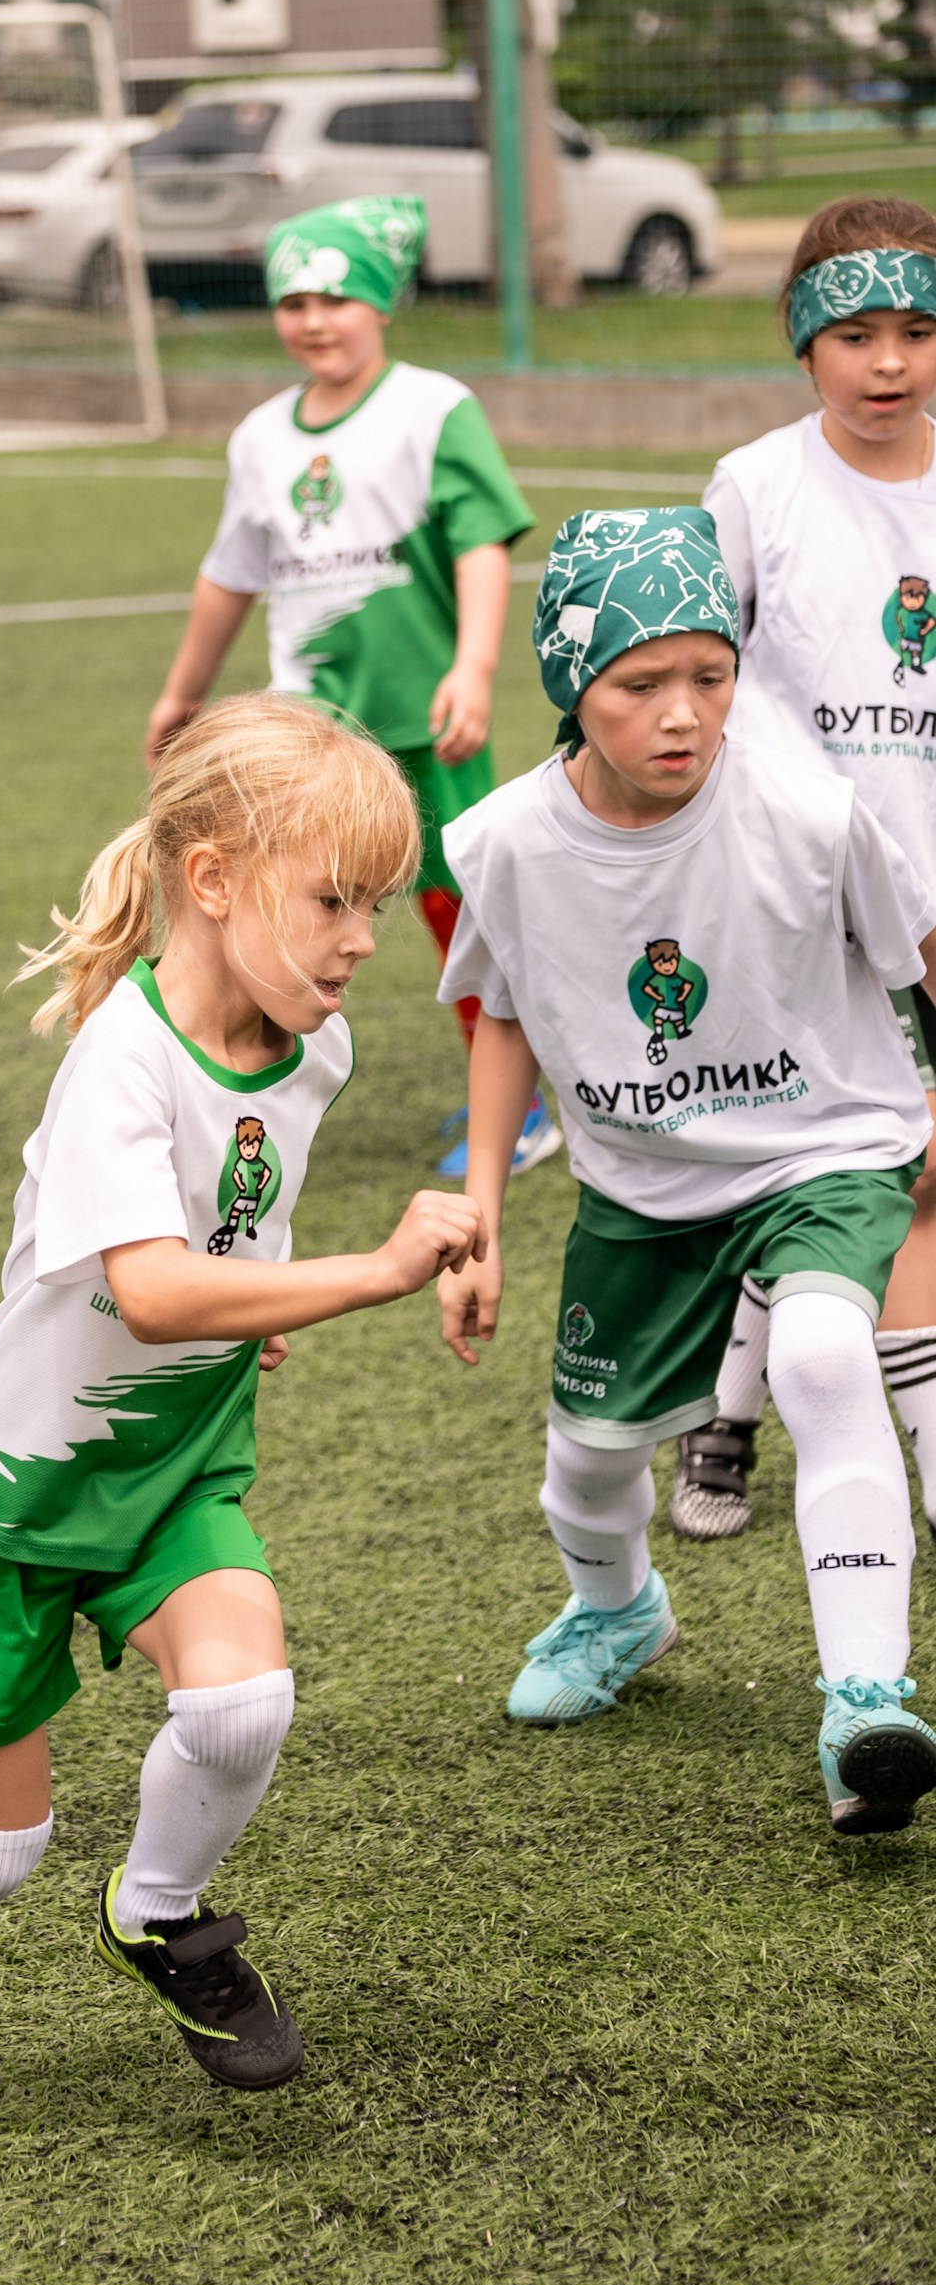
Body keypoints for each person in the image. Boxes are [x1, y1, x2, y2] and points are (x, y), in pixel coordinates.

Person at [0, 697, 485, 2109]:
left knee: (243, 1701)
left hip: (175, 1468)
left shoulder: (318, 1043)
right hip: (17, 1490)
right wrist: (362, 1272)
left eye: (373, 902)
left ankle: (159, 1911)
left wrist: (267, 1301)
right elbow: (155, 1289)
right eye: (333, 899)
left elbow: (223, 1248)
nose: (366, 938)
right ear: (215, 879)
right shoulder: (117, 1058)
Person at [435, 506, 936, 1838]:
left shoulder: (811, 815)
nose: (683, 714)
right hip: (641, 1184)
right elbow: (502, 1014)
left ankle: (865, 1703)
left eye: (709, 676)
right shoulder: (502, 843)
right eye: (639, 683)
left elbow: (919, 953)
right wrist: (481, 1198)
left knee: (823, 1358)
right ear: (570, 685)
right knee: (592, 1462)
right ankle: (618, 1610)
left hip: (824, 1145)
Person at [142, 192, 555, 1182]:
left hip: (424, 718)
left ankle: (519, 1102)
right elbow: (230, 572)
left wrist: (474, 667)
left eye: (336, 297)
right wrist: (182, 691)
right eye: (293, 301)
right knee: (288, 904)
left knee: (462, 908)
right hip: (309, 729)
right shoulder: (260, 439)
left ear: (379, 304)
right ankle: (258, 1099)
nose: (315, 319)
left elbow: (482, 544)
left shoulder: (434, 408)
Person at [674, 198, 936, 1542]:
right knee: (811, 1167)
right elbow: (697, 674)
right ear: (801, 341)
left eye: (915, 331)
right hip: (789, 899)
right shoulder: (756, 485)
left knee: (920, 1169)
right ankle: (727, 1418)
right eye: (853, 334)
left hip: (933, 908)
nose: (886, 363)